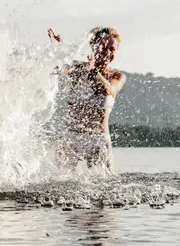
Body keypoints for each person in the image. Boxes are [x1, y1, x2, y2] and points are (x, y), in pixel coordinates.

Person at [48, 26, 126, 173]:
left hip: (98, 139)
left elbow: (110, 89)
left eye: (112, 49)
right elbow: (57, 69)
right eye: (103, 47)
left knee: (105, 183)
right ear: (94, 47)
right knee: (61, 181)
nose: (108, 52)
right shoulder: (78, 69)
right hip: (71, 137)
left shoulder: (117, 76)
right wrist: (57, 50)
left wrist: (94, 71)